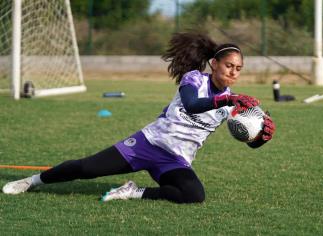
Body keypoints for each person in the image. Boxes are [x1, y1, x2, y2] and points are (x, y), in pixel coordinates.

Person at [2, 33, 275, 204]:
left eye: (239, 69)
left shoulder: (231, 103)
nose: (234, 72)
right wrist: (227, 99)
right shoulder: (195, 79)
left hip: (174, 159)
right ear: (214, 64)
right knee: (85, 169)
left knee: (194, 196)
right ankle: (33, 182)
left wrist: (261, 136)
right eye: (229, 66)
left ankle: (133, 192)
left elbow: (248, 140)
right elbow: (192, 105)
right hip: (148, 144)